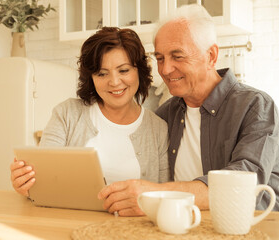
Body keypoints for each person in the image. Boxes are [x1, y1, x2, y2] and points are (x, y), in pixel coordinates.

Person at [98, 4, 279, 215]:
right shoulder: (165, 115)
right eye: (160, 58)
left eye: (178, 56)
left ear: (211, 56)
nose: (165, 69)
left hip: (255, 227)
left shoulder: (256, 107)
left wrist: (156, 195)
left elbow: (243, 185)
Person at [10, 27, 170, 215]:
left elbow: (165, 197)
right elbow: (43, 187)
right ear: (91, 78)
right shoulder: (67, 114)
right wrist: (26, 186)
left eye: (124, 70)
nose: (114, 82)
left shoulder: (158, 129)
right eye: (102, 73)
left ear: (139, 71)